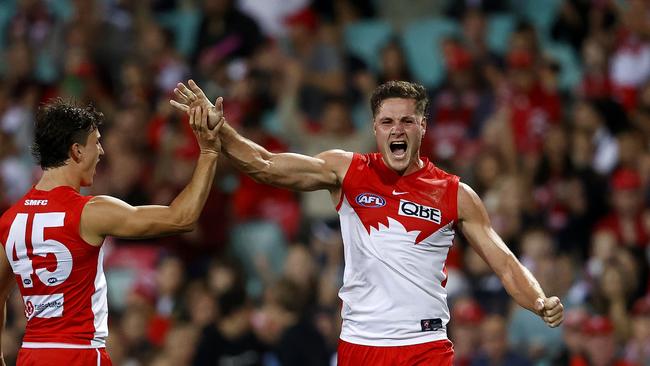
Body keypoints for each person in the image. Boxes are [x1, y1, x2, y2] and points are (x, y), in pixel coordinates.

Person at [170, 79, 564, 365]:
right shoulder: (348, 171)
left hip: (425, 345)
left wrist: (539, 300)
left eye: (407, 121)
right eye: (388, 121)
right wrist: (220, 130)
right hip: (361, 345)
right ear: (375, 128)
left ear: (423, 127)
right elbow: (264, 165)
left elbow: (505, 263)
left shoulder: (455, 193)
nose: (397, 129)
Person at [0, 99, 223, 366]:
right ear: (77, 152)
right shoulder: (89, 212)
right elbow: (182, 218)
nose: (102, 151)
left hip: (31, 354)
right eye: (96, 142)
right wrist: (209, 152)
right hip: (79, 354)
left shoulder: (10, 220)